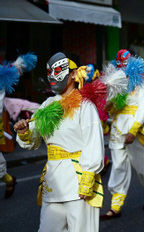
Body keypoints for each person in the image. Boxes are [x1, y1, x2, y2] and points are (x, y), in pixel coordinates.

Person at [14, 52, 105, 232]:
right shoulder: (48, 104)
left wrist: (88, 179)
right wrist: (24, 132)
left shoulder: (85, 105)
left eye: (57, 70)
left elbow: (94, 142)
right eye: (50, 71)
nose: (52, 76)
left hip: (78, 184)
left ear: (73, 73)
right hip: (53, 183)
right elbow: (33, 139)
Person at [101, 56, 144, 219]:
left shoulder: (141, 83)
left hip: (137, 130)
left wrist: (134, 130)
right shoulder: (117, 83)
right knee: (118, 167)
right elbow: (111, 109)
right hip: (118, 130)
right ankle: (115, 206)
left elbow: (142, 107)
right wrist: (108, 104)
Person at [0, 52, 37, 199]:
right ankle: (9, 180)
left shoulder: (2, 73)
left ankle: (8, 180)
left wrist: (21, 63)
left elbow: (15, 68)